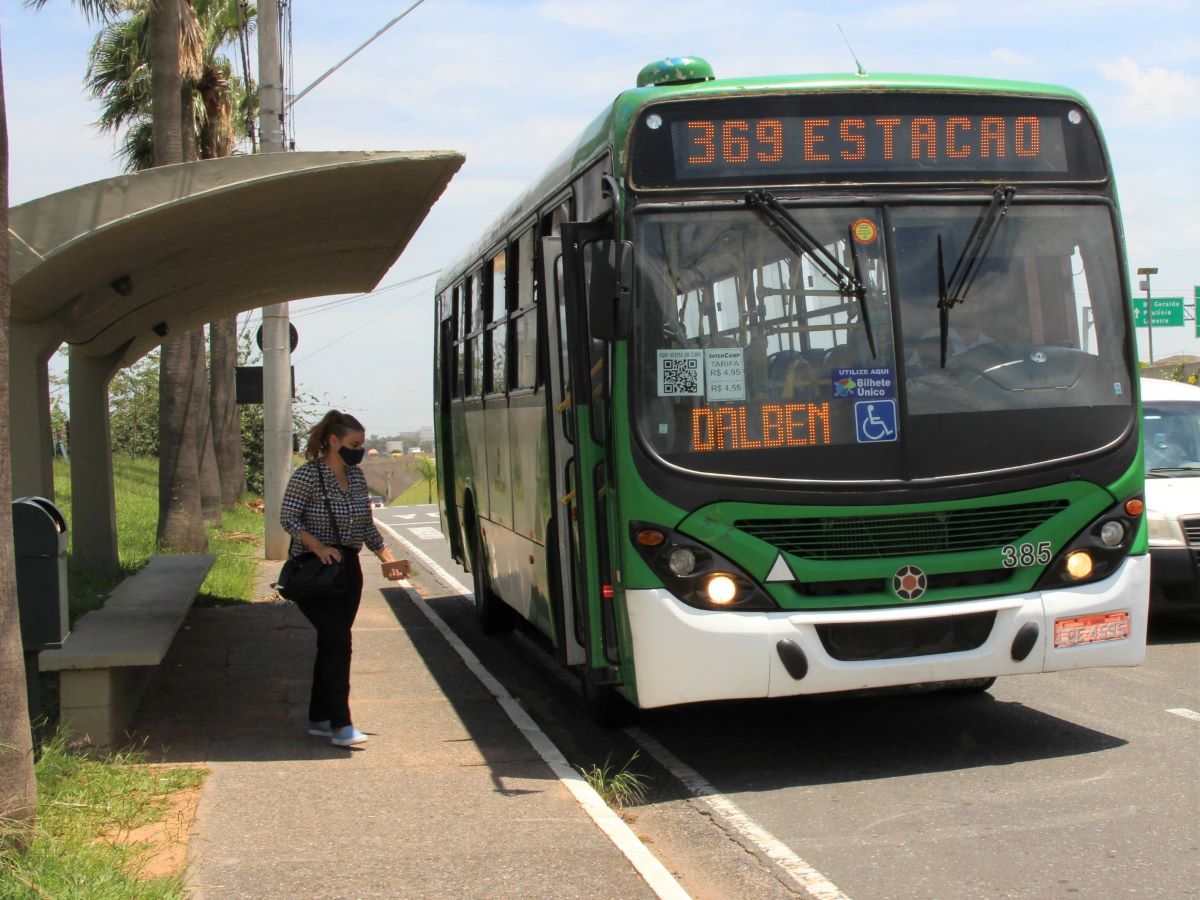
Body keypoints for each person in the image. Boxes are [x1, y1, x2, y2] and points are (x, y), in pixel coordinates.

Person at [280, 410, 406, 747]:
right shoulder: (307, 476)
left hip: (348, 570)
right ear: (333, 441)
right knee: (338, 644)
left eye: (362, 445)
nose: (358, 450)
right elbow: (288, 518)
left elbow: (366, 524)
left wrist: (387, 558)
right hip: (314, 570)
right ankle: (341, 723)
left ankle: (319, 718)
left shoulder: (357, 478)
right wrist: (318, 547)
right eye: (353, 444)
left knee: (332, 643)